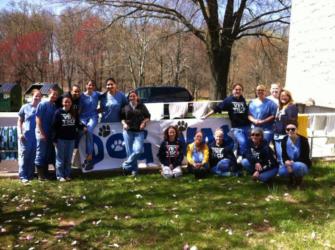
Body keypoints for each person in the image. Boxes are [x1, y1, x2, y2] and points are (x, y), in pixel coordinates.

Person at [202, 83, 250, 159]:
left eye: (240, 90)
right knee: (243, 142)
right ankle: (242, 157)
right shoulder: (228, 100)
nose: (238, 91)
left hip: (247, 126)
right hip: (236, 128)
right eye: (236, 89)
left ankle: (241, 160)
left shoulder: (242, 99)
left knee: (245, 143)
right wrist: (206, 116)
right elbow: (217, 108)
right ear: (232, 90)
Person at [52, 95, 86, 181]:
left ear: (71, 103)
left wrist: (84, 127)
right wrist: (54, 139)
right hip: (60, 139)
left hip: (71, 139)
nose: (67, 103)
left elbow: (78, 123)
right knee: (60, 158)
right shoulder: (58, 113)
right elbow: (54, 127)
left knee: (68, 158)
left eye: (69, 102)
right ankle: (60, 176)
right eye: (65, 102)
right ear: (62, 103)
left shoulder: (74, 112)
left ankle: (67, 175)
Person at [121, 90, 150, 176]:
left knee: (138, 150)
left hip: (139, 132)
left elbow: (148, 116)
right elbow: (121, 118)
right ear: (128, 98)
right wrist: (124, 124)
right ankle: (134, 170)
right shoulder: (125, 106)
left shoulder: (142, 106)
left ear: (137, 97)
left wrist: (143, 122)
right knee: (129, 152)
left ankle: (125, 165)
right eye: (130, 96)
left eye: (134, 96)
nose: (132, 98)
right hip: (128, 132)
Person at [17, 89, 42, 183]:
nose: (37, 98)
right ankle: (23, 176)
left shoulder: (41, 108)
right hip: (26, 136)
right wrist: (19, 133)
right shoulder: (25, 107)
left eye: (39, 96)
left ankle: (30, 175)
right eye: (36, 96)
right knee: (24, 156)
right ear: (32, 96)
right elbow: (19, 120)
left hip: (36, 136)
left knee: (33, 156)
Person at [35, 87, 59, 180]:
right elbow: (38, 119)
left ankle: (46, 174)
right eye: (53, 94)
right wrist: (42, 133)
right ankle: (40, 176)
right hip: (42, 133)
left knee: (48, 154)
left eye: (56, 95)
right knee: (41, 153)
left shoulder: (53, 106)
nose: (55, 96)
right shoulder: (43, 104)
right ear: (49, 94)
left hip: (50, 134)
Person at [279, 122, 311, 188]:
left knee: (298, 167)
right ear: (285, 131)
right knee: (281, 172)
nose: (290, 131)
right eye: (288, 129)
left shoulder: (304, 140)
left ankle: (299, 182)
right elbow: (284, 155)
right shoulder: (284, 140)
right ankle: (291, 180)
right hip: (290, 164)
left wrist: (292, 163)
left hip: (302, 163)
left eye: (293, 129)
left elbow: (305, 156)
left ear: (297, 130)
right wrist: (286, 162)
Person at [79, 80, 100, 170]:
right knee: (80, 131)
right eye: (89, 85)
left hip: (93, 117)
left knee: (89, 131)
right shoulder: (82, 96)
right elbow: (78, 108)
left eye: (92, 85)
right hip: (83, 117)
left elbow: (107, 95)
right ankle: (76, 155)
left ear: (94, 87)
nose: (90, 86)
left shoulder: (97, 94)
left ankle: (89, 155)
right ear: (86, 86)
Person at [274, 89, 298, 165]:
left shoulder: (291, 107)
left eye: (285, 96)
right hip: (277, 135)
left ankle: (290, 173)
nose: (283, 97)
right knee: (279, 156)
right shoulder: (280, 107)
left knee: (286, 156)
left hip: (285, 136)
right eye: (281, 96)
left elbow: (292, 122)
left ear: (289, 97)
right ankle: (283, 172)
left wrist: (290, 135)